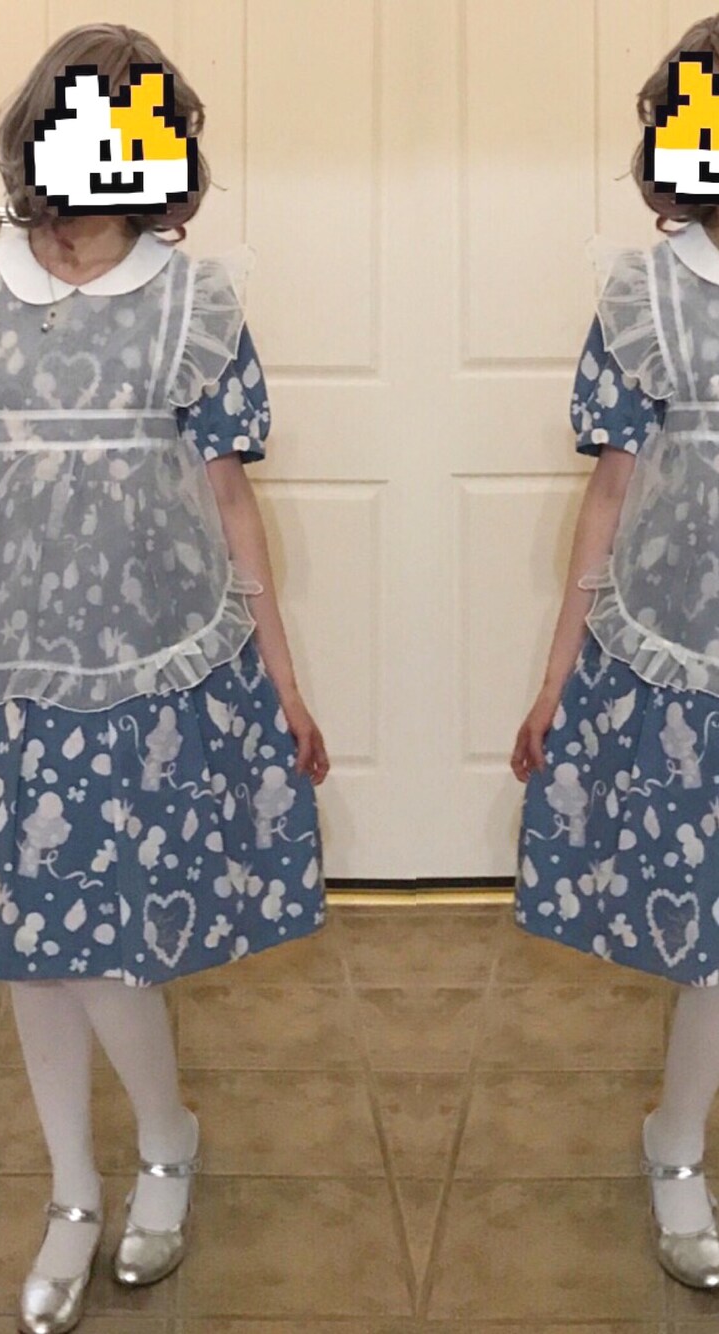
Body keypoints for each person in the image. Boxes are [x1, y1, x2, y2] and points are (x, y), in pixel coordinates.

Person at [0, 22, 328, 1334]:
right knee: (26, 945)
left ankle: (166, 1140)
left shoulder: (194, 302)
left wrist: (280, 674)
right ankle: (75, 1191)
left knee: (108, 940)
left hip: (141, 666)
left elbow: (229, 500)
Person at [513, 13, 719, 1295]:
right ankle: (677, 1140)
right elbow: (610, 492)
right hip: (686, 642)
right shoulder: (646, 296)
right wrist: (558, 671)